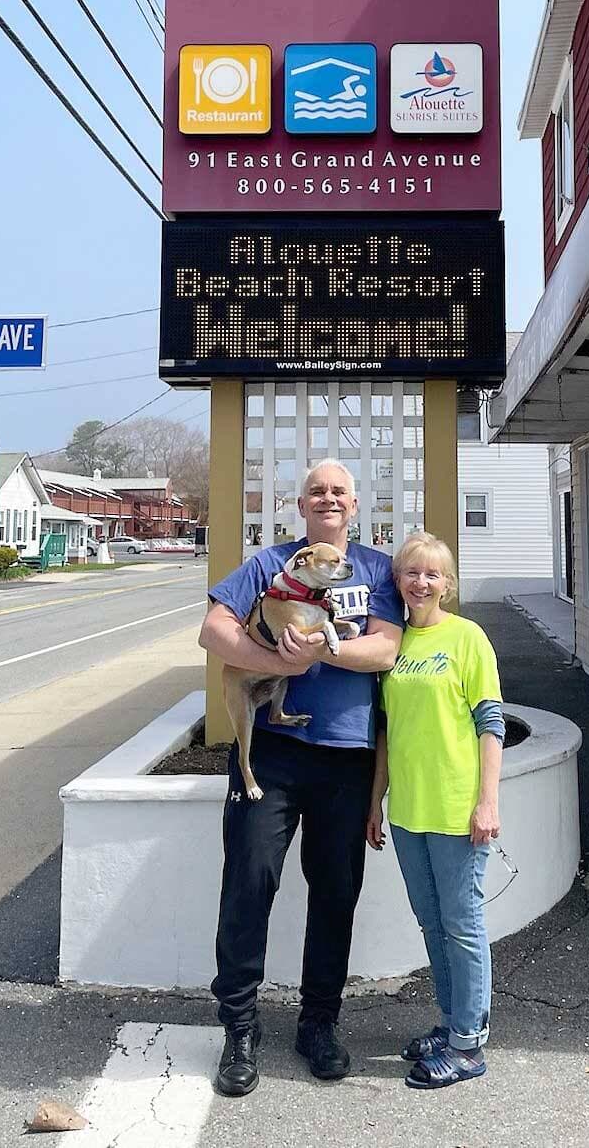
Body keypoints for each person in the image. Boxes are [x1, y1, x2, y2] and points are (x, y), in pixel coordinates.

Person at [199, 460, 404, 1098]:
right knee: (249, 882)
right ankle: (238, 1026)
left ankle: (319, 1022)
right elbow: (213, 630)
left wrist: (324, 651)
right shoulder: (270, 565)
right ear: (301, 504)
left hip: (346, 756)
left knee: (336, 891)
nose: (329, 499)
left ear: (355, 502)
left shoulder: (375, 571)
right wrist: (273, 659)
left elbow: (386, 649)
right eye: (318, 490)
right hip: (275, 754)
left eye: (340, 490)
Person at [367, 531, 504, 1089]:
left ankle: (468, 1046)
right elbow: (385, 732)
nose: (420, 582)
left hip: (456, 810)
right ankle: (451, 1025)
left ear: (447, 584)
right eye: (411, 572)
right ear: (397, 580)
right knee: (432, 924)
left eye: (432, 574)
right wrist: (376, 800)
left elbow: (490, 723)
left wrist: (487, 802)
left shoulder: (468, 639)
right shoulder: (392, 644)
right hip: (409, 812)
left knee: (463, 925)